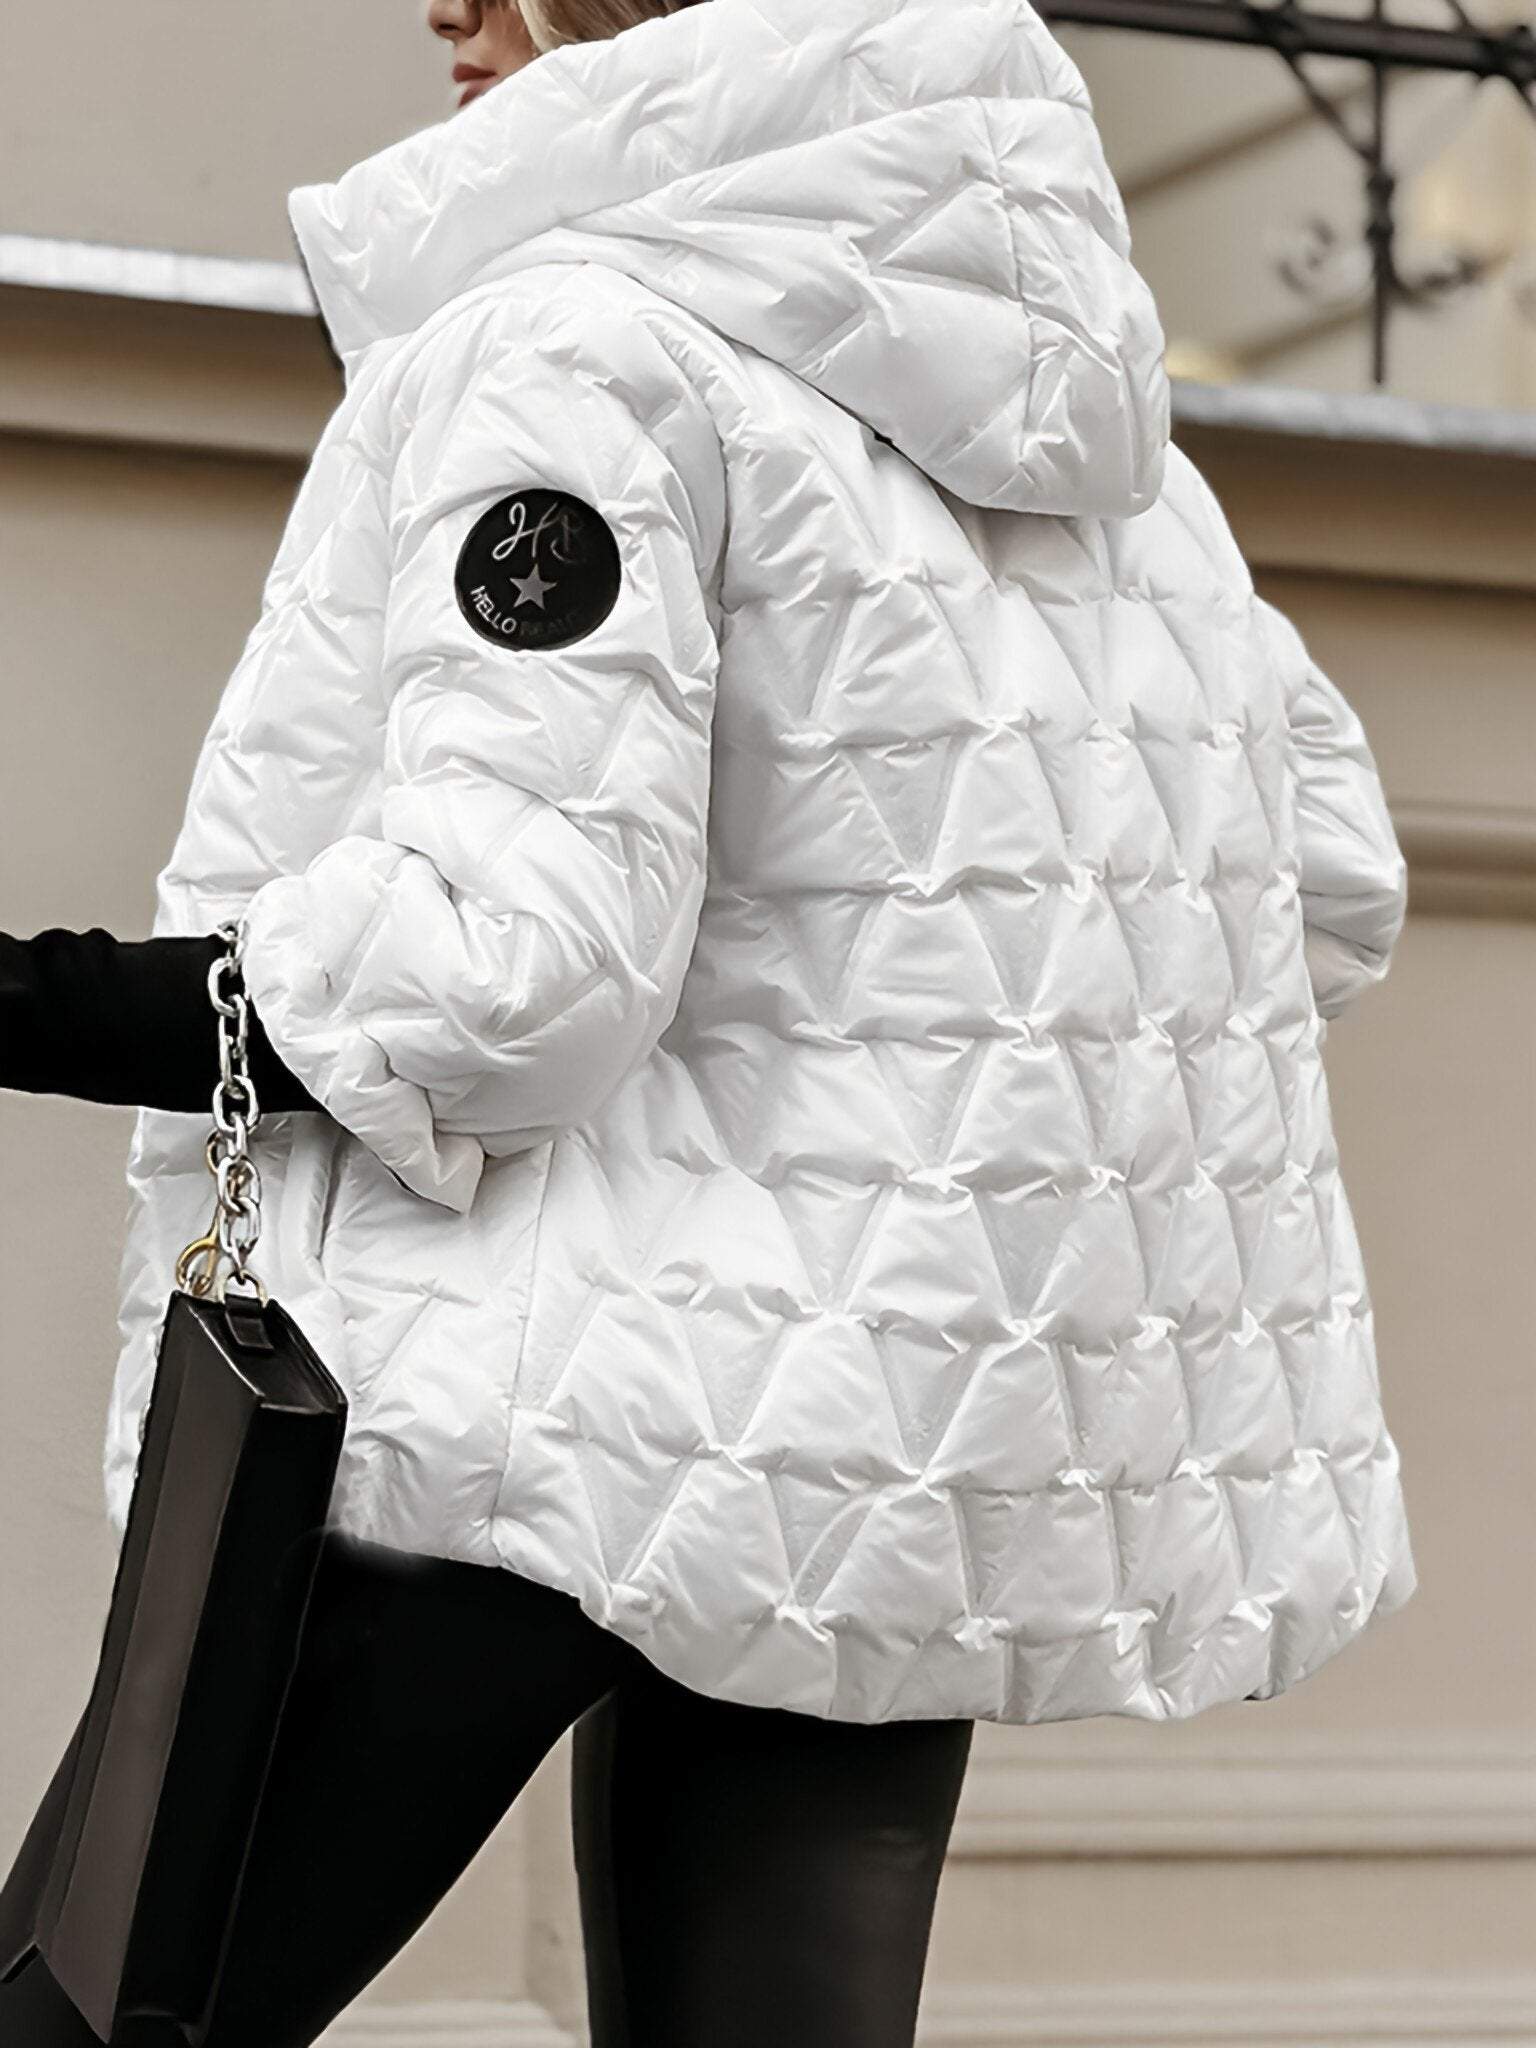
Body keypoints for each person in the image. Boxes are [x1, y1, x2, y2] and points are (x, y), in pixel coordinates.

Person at [0, 0, 1416, 2040]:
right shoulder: (1123, 475)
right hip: (877, 1457)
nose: (445, 6)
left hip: (519, 1436)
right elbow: (1323, 886)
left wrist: (36, 999)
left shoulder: (576, 347)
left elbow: (503, 971)